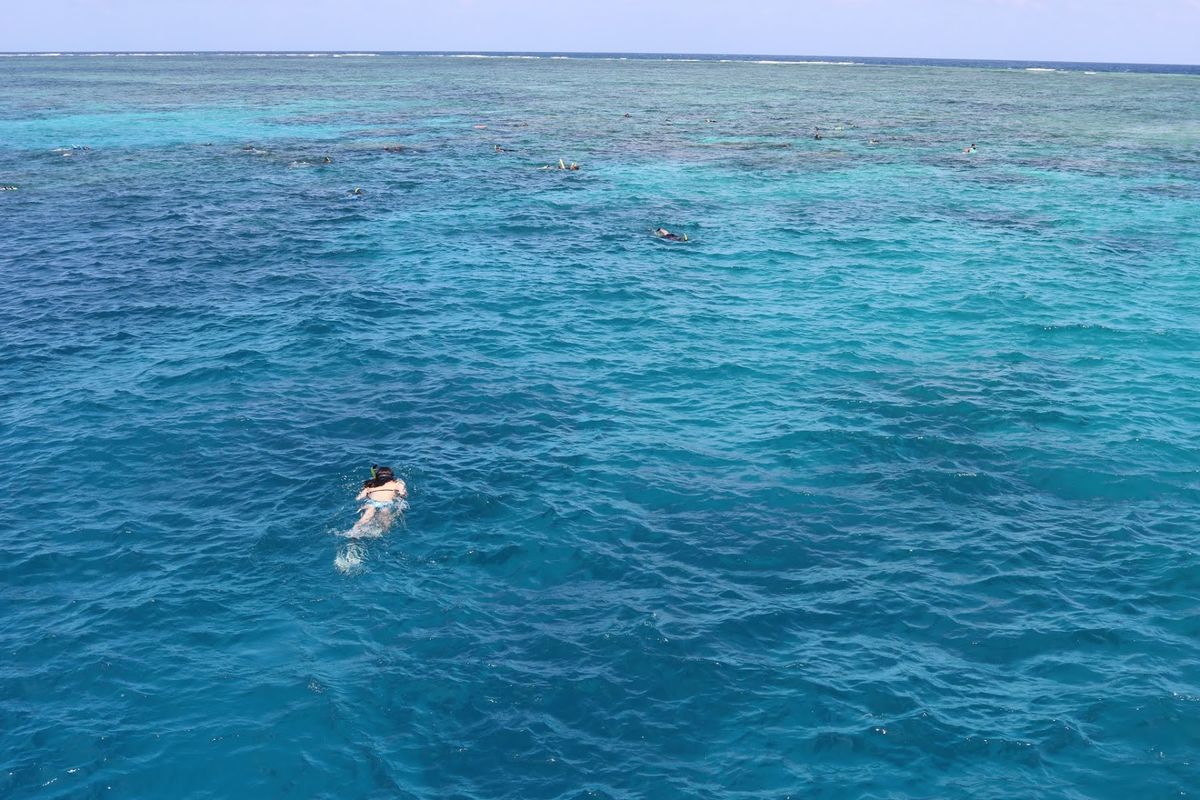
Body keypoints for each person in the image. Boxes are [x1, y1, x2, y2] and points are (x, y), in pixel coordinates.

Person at [352, 465, 407, 533]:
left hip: (371, 503)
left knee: (364, 520)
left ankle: (353, 533)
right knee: (385, 524)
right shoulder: (397, 484)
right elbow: (403, 494)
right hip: (386, 504)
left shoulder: (370, 486)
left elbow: (358, 498)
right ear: (391, 476)